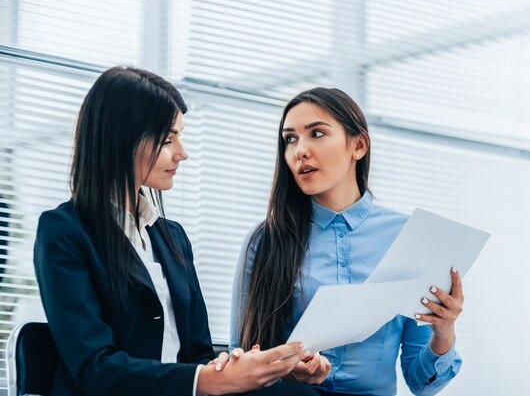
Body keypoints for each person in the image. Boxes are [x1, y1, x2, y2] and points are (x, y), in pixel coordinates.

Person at [33, 66, 319, 396]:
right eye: (168, 139)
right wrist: (211, 380)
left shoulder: (172, 238)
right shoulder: (64, 232)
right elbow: (95, 368)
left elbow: (196, 354)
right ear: (121, 139)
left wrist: (266, 369)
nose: (182, 153)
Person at [231, 88, 463, 396]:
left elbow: (421, 384)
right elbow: (240, 359)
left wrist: (444, 331)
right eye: (290, 139)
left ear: (358, 145)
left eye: (316, 133)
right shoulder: (266, 240)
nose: (300, 150)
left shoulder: (410, 237)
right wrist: (287, 370)